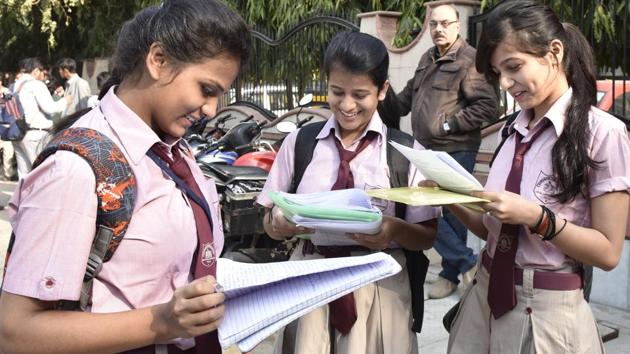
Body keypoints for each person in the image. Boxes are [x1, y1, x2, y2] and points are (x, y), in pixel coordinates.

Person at [0, 1, 250, 353]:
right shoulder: (77, 168)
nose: (211, 109)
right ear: (158, 60)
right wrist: (160, 323)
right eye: (206, 90)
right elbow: (15, 333)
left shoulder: (175, 152)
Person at [436, 1, 630, 353]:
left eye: (514, 67)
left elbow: (608, 251)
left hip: (545, 310)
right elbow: (492, 230)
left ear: (554, 52)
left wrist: (538, 218)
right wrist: (448, 196)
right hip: (484, 294)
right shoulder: (512, 130)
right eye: (498, 73)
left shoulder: (603, 134)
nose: (506, 84)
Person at [257, 31, 439, 354]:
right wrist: (279, 223)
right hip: (309, 281)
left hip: (378, 287)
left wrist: (392, 230)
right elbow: (269, 219)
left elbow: (426, 236)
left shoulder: (405, 153)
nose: (347, 105)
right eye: (337, 92)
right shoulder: (300, 144)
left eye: (360, 94)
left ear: (382, 90)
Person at [397, 4, 499, 299]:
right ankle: (461, 267)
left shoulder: (469, 60)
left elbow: (487, 107)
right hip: (425, 149)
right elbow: (405, 98)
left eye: (445, 23)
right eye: (433, 24)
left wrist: (447, 126)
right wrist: (380, 94)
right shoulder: (427, 58)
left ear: (458, 25)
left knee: (448, 214)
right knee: (429, 210)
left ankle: (455, 269)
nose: (438, 29)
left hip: (456, 149)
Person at [11, 58, 72, 179]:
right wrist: (65, 101)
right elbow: (50, 108)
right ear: (35, 71)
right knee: (40, 173)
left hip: (18, 133)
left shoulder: (17, 85)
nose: (44, 75)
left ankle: (23, 198)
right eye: (43, 72)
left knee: (24, 174)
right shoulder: (36, 85)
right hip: (35, 134)